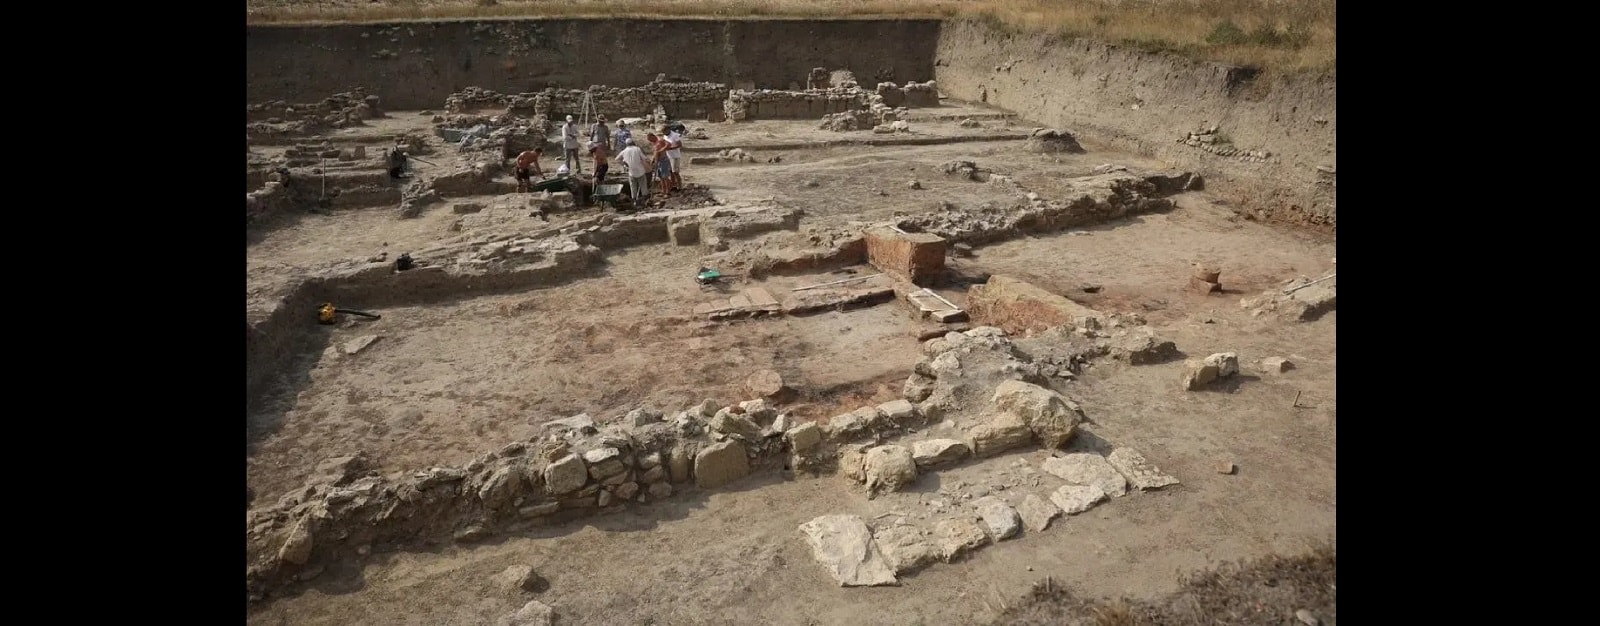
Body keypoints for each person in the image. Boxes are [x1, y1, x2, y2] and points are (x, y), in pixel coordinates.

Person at [616, 140, 647, 208]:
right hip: (640, 171)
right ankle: (644, 199)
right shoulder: (637, 149)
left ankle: (634, 200)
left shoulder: (624, 151)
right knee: (643, 185)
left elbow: (617, 159)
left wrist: (624, 165)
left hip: (631, 172)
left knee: (633, 187)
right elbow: (644, 158)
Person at [665, 125, 685, 190]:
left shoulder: (675, 135)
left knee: (675, 172)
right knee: (671, 172)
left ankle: (680, 187)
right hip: (669, 156)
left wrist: (670, 148)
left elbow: (680, 145)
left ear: (668, 129)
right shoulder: (665, 135)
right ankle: (673, 185)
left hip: (675, 156)